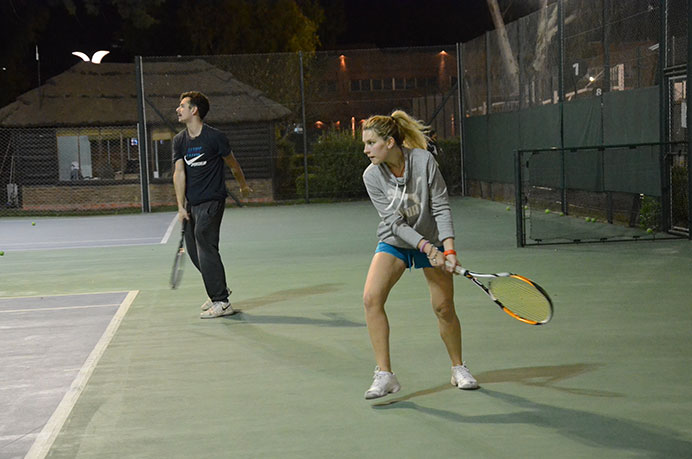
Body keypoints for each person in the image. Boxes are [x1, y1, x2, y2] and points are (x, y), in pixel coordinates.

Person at [360, 110, 478, 399]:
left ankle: (458, 368)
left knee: (443, 307)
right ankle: (385, 374)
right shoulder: (372, 176)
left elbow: (440, 206)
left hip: (433, 239)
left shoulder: (424, 161)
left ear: (389, 142)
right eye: (365, 144)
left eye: (371, 143)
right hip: (396, 241)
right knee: (371, 298)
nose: (365, 150)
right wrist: (427, 248)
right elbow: (394, 223)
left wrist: (447, 248)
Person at [172, 91, 252, 319]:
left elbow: (233, 164)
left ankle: (222, 301)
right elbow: (179, 173)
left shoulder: (215, 137)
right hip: (191, 204)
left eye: (182, 106)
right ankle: (218, 287)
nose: (178, 110)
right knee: (193, 248)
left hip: (213, 200)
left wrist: (243, 186)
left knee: (204, 241)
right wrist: (180, 206)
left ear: (194, 110)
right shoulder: (179, 140)